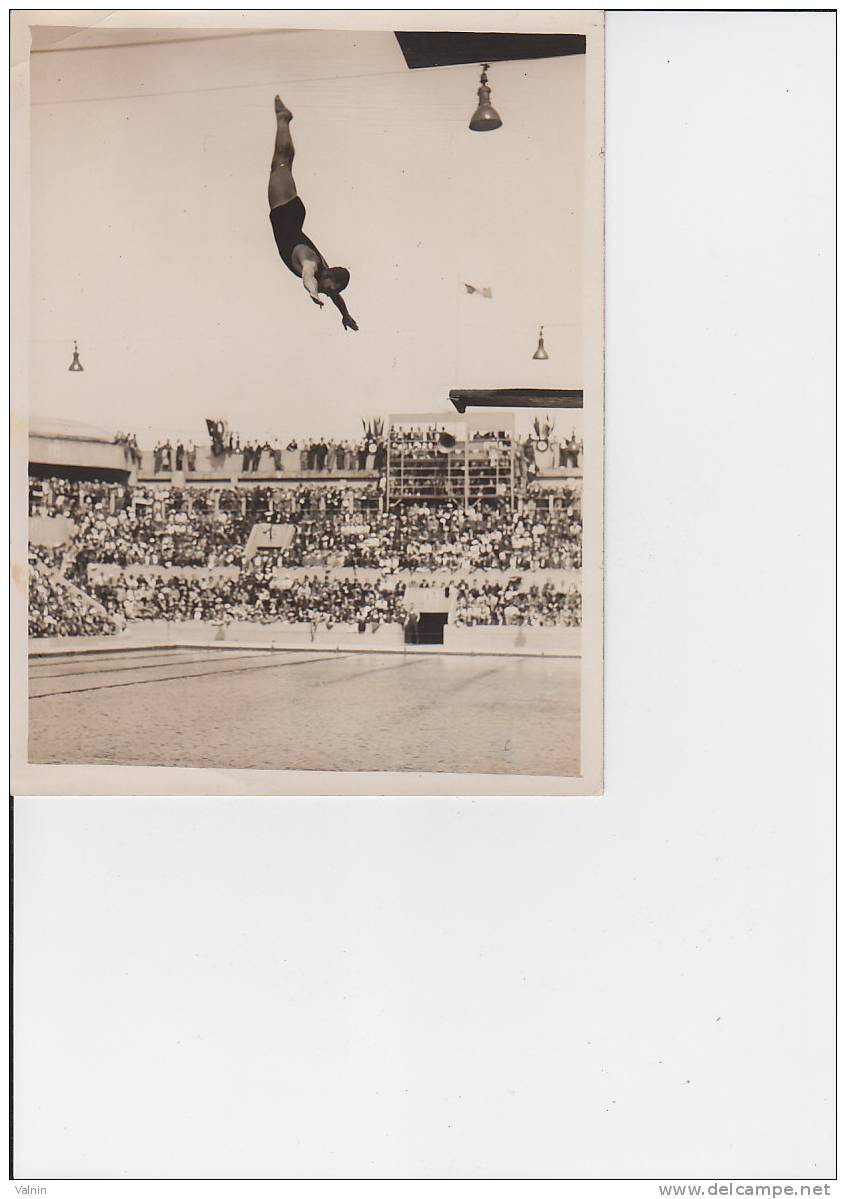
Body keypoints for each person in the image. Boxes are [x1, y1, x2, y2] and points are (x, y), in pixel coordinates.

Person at [267, 96, 359, 332]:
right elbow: (308, 276)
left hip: (294, 215)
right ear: (328, 276)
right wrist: (313, 293)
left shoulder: (325, 273)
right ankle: (283, 119)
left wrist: (345, 314)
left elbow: (335, 296)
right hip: (283, 208)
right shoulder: (311, 264)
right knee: (281, 160)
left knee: (283, 160)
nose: (330, 292)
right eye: (330, 288)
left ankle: (284, 120)